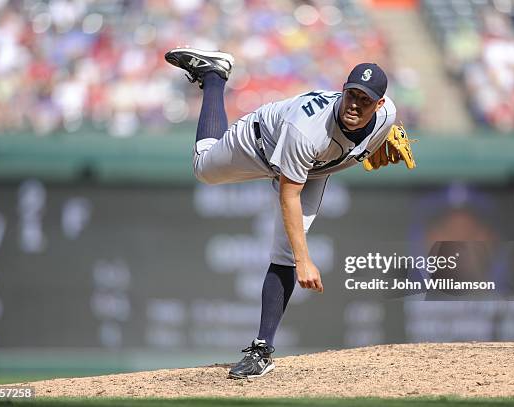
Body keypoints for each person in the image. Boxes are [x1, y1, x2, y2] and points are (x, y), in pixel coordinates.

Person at [165, 47, 397, 379]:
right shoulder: (309, 130)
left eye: (365, 99)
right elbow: (289, 196)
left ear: (380, 104)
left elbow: (362, 142)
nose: (355, 104)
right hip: (260, 143)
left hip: (315, 166)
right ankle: (214, 76)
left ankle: (261, 351)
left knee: (283, 253)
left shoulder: (387, 119)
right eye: (352, 94)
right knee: (204, 168)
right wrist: (305, 260)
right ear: (343, 91)